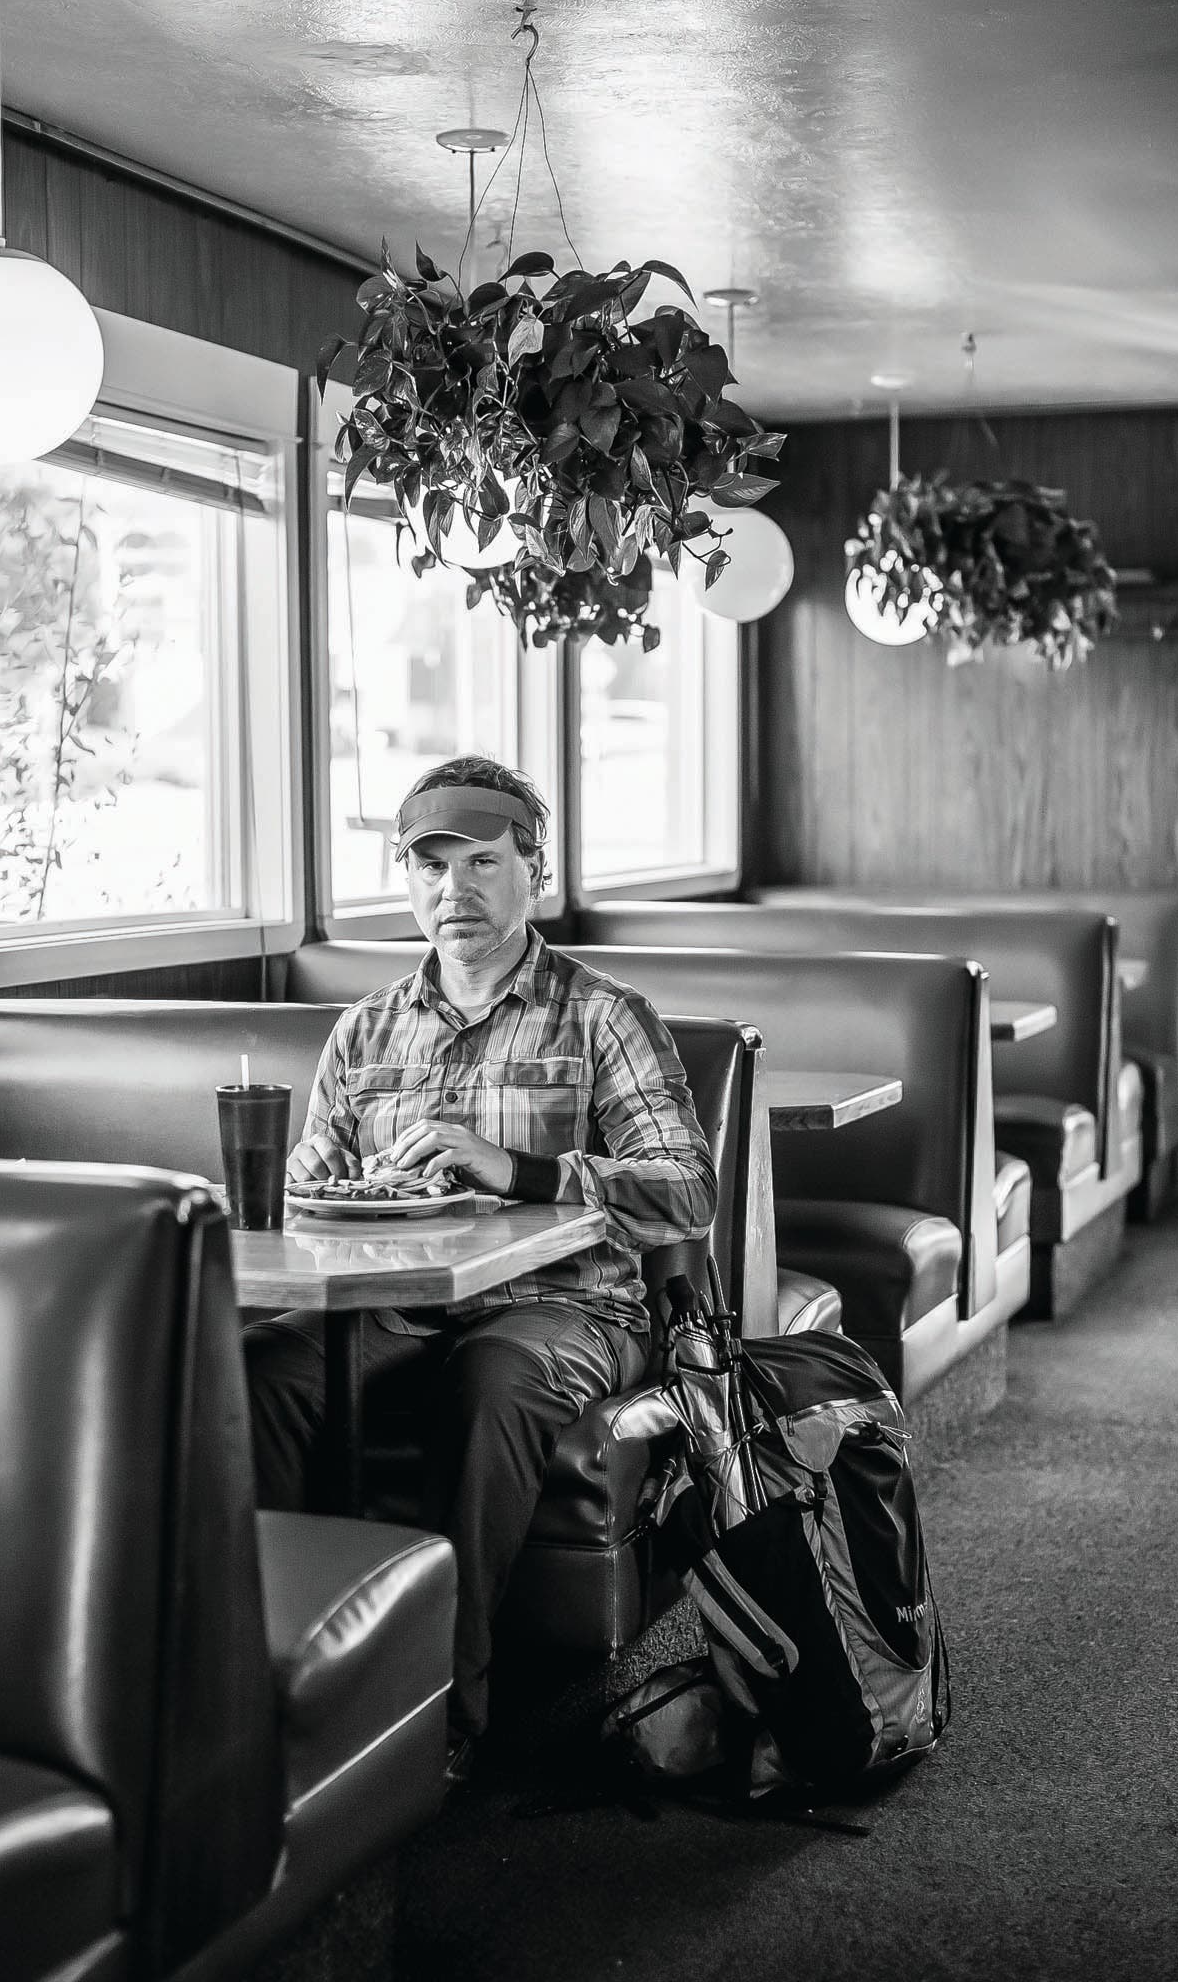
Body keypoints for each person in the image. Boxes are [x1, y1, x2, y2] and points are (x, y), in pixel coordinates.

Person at [243, 754, 717, 1780]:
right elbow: (305, 1193)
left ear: (532, 871)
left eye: (480, 862)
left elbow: (686, 1188)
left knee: (489, 1385)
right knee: (264, 1376)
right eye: (429, 866)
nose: (450, 890)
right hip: (393, 1304)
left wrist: (520, 1168)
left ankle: (439, 1718)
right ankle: (272, 1690)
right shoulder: (365, 1028)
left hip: (565, 1305)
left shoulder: (603, 1011)